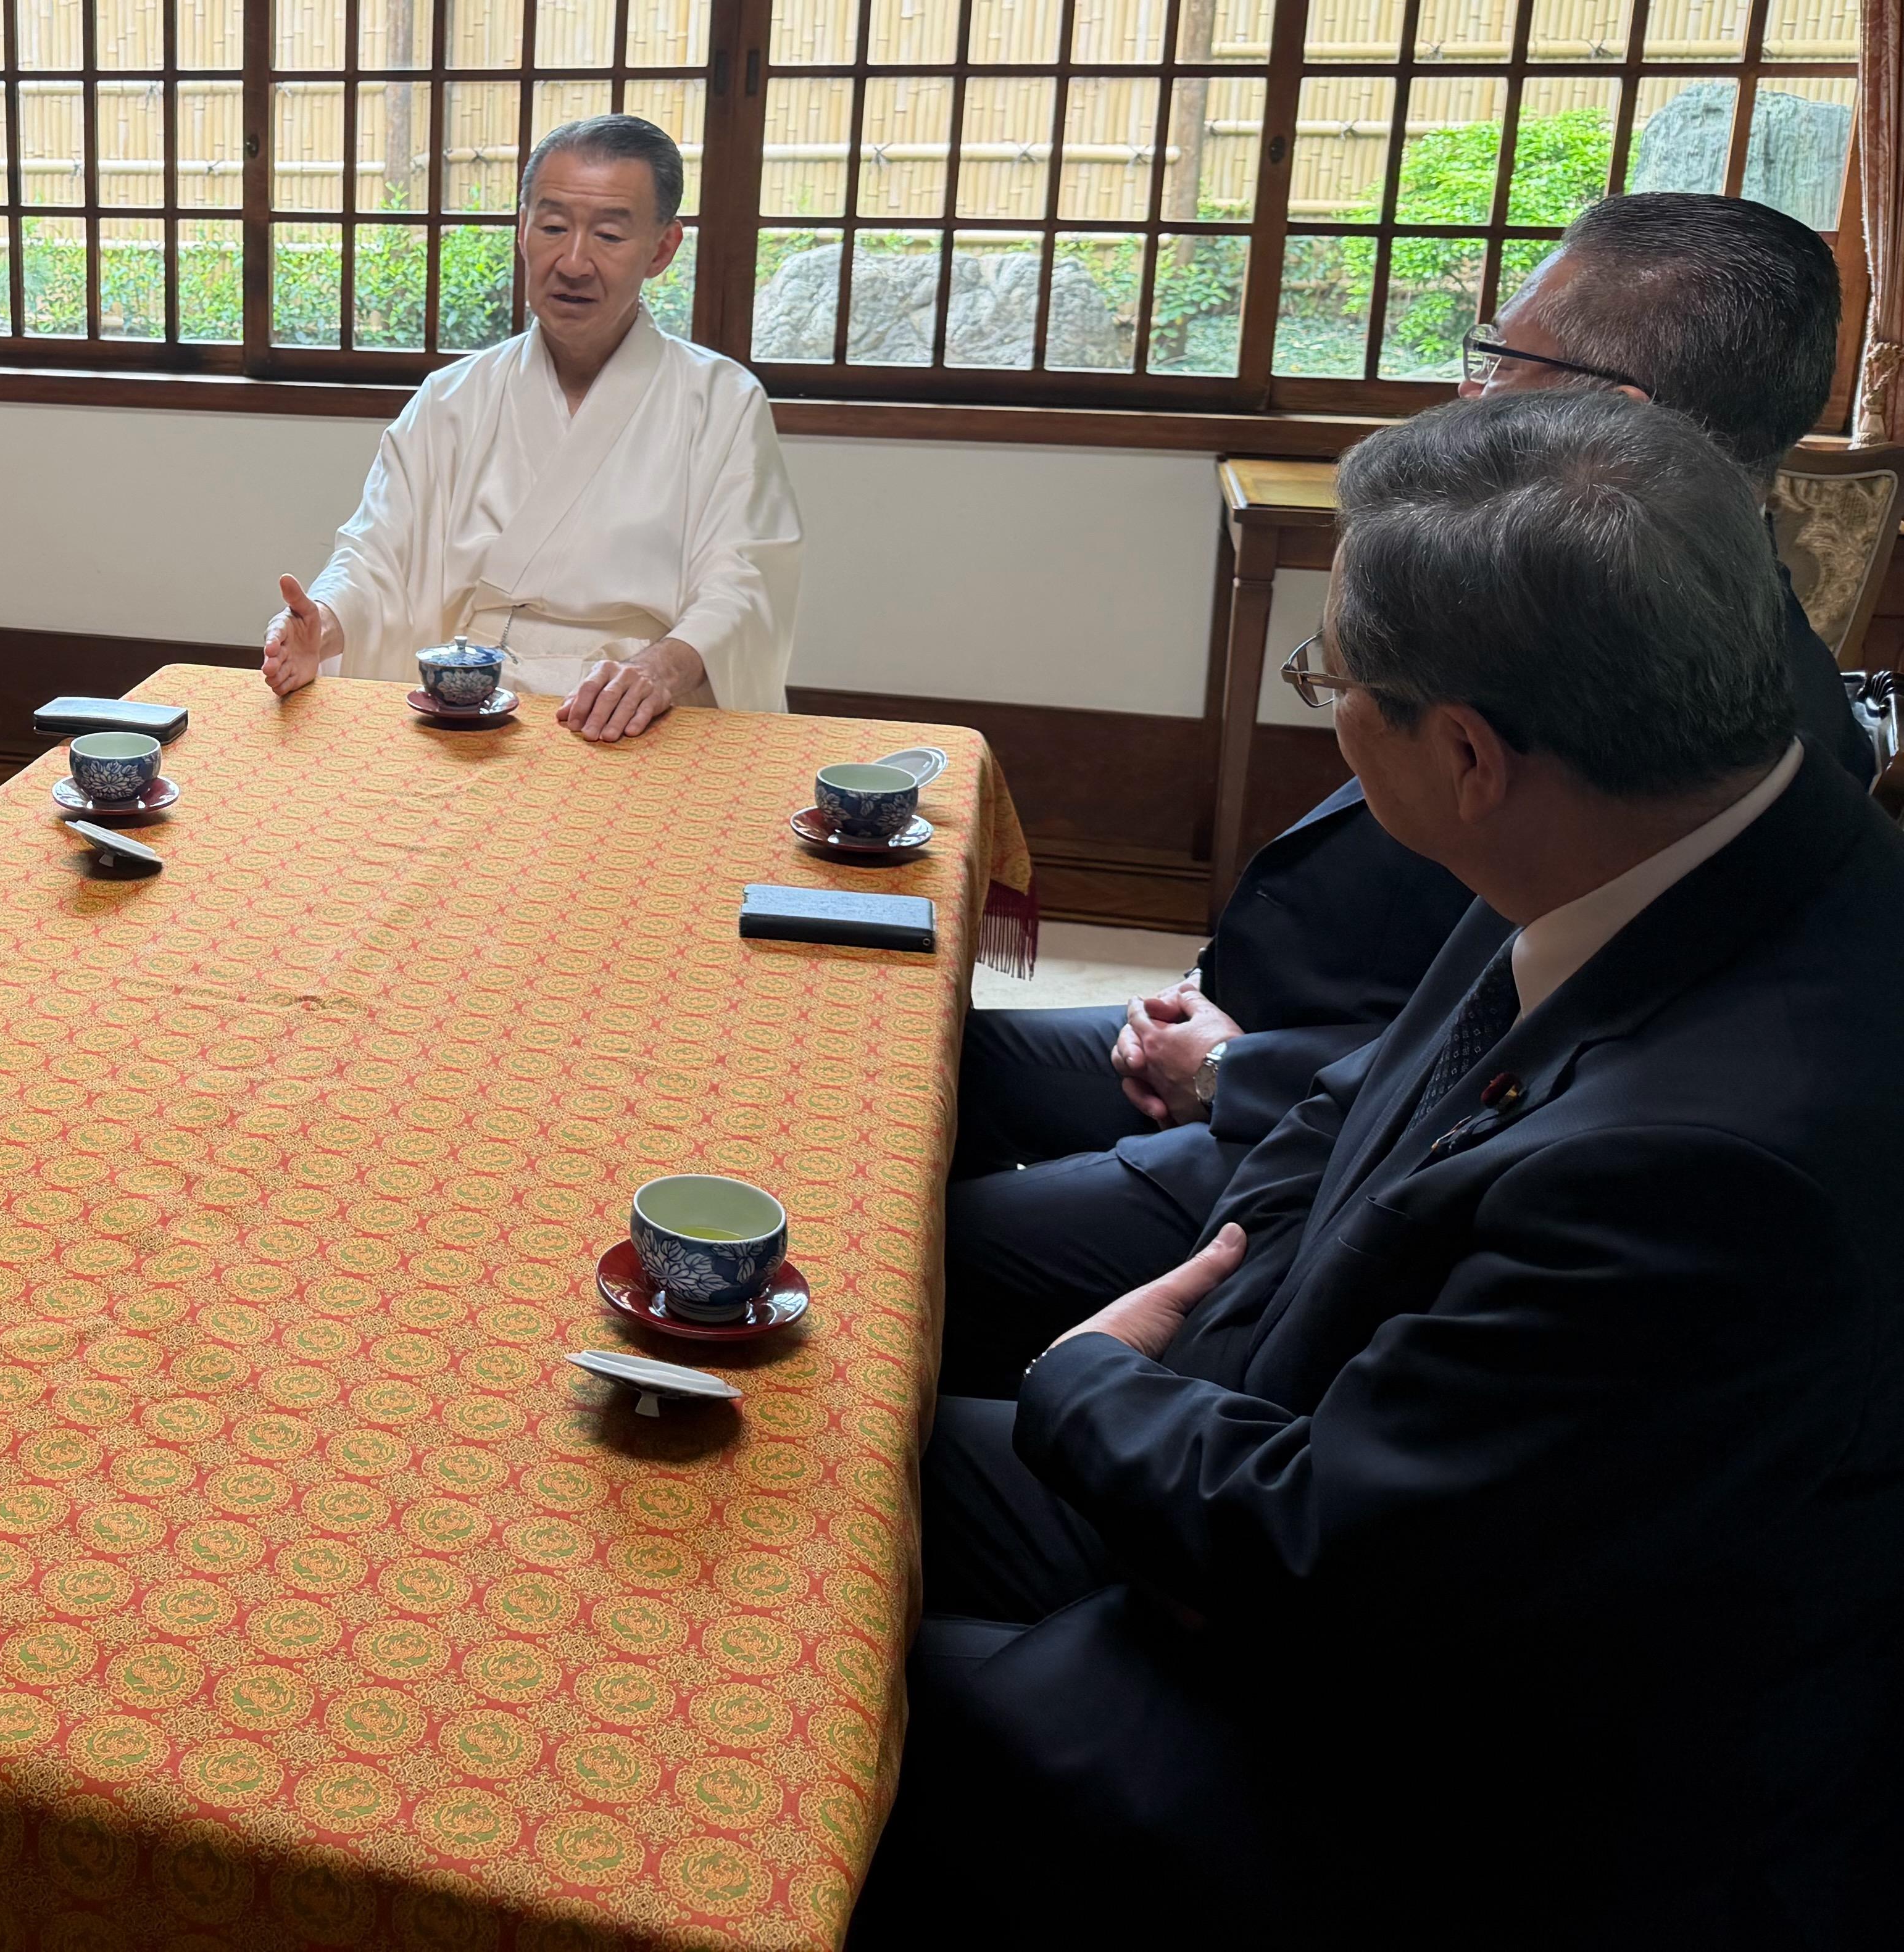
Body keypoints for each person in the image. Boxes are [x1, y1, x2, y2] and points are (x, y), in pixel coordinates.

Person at [866, 389, 1904, 1949]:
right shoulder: (1647, 825)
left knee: (774, 1708)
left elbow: (1331, 1566)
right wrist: (1220, 1305)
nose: (1332, 711)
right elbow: (1351, 1109)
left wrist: (1089, 1380)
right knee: (804, 1454)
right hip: (1298, 1455)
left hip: (1444, 1779)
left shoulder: (1711, 1180)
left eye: (1335, 679)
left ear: (1469, 754)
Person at [942, 189, 1874, 1393]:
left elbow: (1510, 1071)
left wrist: (1230, 1080)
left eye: (1502, 356)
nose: (1471, 390)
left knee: (918, 1248)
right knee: (920, 1069)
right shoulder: (1571, 598)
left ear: (1609, 413)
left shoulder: (1710, 731)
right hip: (1297, 1074)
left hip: (1329, 1142)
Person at [262, 113, 800, 741]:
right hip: (469, 709)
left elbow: (745, 583)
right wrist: (324, 623)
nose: (573, 262)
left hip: (634, 711)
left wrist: (660, 670)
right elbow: (376, 552)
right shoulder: (452, 398)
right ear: (522, 231)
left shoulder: (721, 402)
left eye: (609, 234)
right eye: (552, 227)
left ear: (662, 249)